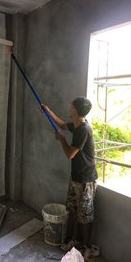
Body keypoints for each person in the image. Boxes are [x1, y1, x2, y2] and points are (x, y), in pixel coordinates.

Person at [42, 97, 98, 260]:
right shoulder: (77, 124)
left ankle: (86, 246)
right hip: (76, 177)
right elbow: (61, 125)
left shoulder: (83, 130)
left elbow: (70, 154)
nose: (69, 108)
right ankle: (75, 240)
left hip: (86, 179)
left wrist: (62, 140)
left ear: (76, 111)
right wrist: (48, 110)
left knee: (85, 216)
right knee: (73, 210)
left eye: (71, 106)